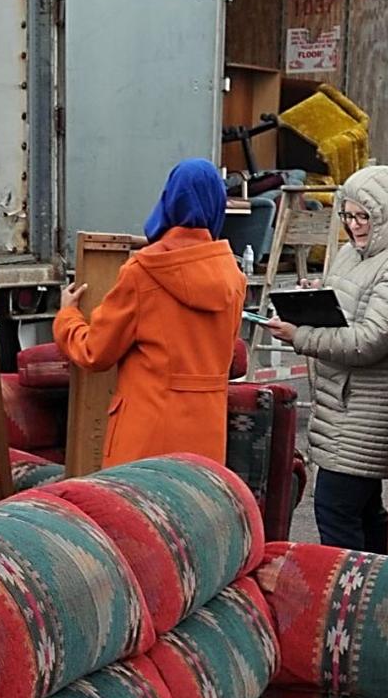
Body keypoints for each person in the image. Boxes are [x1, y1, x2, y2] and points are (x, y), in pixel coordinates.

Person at [267, 164, 388, 553]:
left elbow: (369, 341)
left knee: (336, 511)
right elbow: (351, 307)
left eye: (364, 217)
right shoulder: (351, 252)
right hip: (342, 405)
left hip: (364, 411)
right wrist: (316, 297)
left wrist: (300, 335)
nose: (354, 225)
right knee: (364, 512)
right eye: (348, 214)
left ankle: (346, 601)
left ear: (387, 214)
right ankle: (386, 588)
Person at [52, 158, 246, 467]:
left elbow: (95, 352)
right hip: (207, 435)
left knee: (138, 513)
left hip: (146, 434)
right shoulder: (234, 276)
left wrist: (67, 317)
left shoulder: (144, 271)